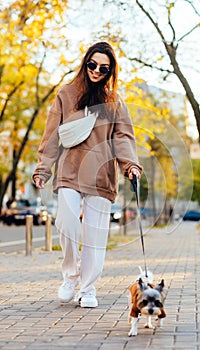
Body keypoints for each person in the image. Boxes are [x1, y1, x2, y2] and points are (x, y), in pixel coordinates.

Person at [33, 42, 142, 308]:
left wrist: (131, 165)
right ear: (85, 63)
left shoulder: (114, 101)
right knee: (67, 223)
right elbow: (51, 135)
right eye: (92, 65)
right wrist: (43, 168)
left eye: (103, 68)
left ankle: (87, 288)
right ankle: (71, 275)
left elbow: (123, 137)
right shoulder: (66, 94)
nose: (96, 71)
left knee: (95, 235)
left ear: (110, 71)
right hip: (69, 170)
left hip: (101, 176)